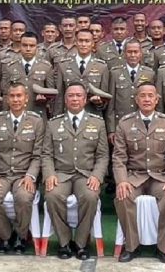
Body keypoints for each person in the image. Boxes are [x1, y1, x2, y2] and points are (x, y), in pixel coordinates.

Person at [113, 83, 165, 264]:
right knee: (123, 196)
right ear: (136, 100)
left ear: (156, 99)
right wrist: (122, 181)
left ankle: (163, 248)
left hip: (159, 176)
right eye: (142, 96)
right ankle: (131, 246)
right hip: (134, 176)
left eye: (150, 96)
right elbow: (119, 157)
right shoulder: (125, 123)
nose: (146, 99)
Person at [42, 82, 110, 260]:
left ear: (85, 99)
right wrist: (49, 174)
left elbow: (103, 156)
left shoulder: (97, 123)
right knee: (52, 195)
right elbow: (47, 154)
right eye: (71, 96)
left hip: (85, 174)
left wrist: (97, 176)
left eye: (79, 95)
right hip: (61, 174)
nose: (75, 99)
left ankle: (81, 243)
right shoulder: (53, 123)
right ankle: (64, 242)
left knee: (90, 196)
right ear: (65, 100)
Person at [0, 82, 45, 254]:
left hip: (23, 174)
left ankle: (21, 235)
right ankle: (6, 235)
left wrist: (30, 176)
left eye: (19, 96)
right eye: (12, 96)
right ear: (7, 99)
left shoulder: (36, 121)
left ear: (26, 99)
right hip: (1, 174)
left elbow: (38, 155)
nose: (16, 99)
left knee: (24, 197)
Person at [107, 40, 157, 139]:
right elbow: (111, 105)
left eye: (135, 52)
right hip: (120, 122)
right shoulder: (115, 73)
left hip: (142, 123)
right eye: (129, 52)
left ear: (141, 54)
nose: (133, 55)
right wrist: (111, 129)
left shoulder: (149, 73)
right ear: (124, 54)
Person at [54, 28, 110, 115]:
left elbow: (105, 99)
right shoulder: (63, 65)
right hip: (69, 116)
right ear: (75, 42)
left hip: (92, 116)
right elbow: (59, 98)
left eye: (87, 41)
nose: (83, 44)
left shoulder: (102, 67)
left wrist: (99, 102)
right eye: (80, 41)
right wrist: (58, 118)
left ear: (92, 43)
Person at [0, 31, 56, 112]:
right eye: (25, 45)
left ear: (37, 47)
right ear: (20, 46)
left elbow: (51, 94)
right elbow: (5, 94)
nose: (28, 49)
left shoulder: (46, 67)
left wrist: (45, 99)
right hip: (16, 113)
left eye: (32, 46)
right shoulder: (10, 67)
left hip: (37, 112)